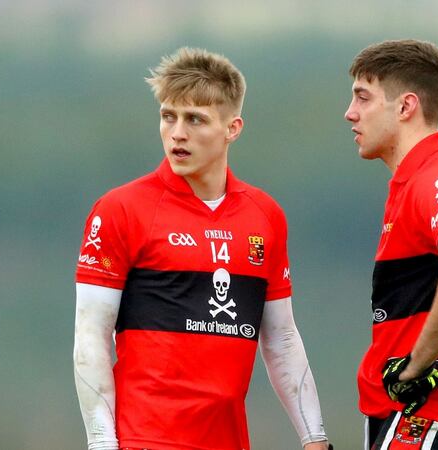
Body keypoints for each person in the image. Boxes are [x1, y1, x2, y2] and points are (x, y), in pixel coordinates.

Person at [73, 47, 330, 450]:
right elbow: (91, 336)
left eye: (195, 119)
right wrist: (102, 443)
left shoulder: (265, 216)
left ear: (233, 128)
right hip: (145, 439)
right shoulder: (121, 209)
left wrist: (315, 438)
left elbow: (281, 338)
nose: (177, 133)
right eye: (168, 116)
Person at [343, 40, 438, 449]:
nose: (350, 112)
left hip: (427, 412)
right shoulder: (412, 182)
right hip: (401, 412)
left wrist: (415, 365)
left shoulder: (437, 179)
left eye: (363, 97)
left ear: (406, 106)